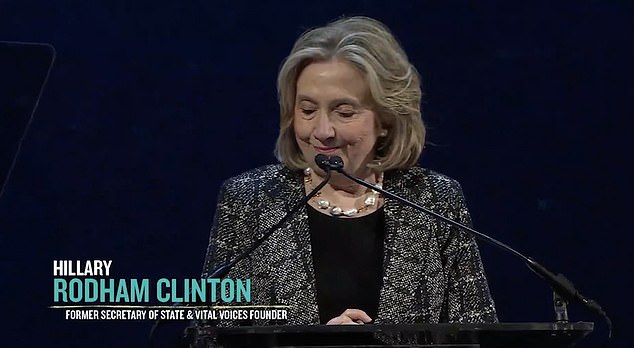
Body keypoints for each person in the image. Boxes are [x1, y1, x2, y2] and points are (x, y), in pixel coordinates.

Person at [200, 16, 497, 327]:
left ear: (385, 120)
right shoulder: (250, 201)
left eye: (344, 112)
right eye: (308, 110)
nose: (323, 131)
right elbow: (210, 338)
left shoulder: (434, 200)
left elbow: (479, 334)